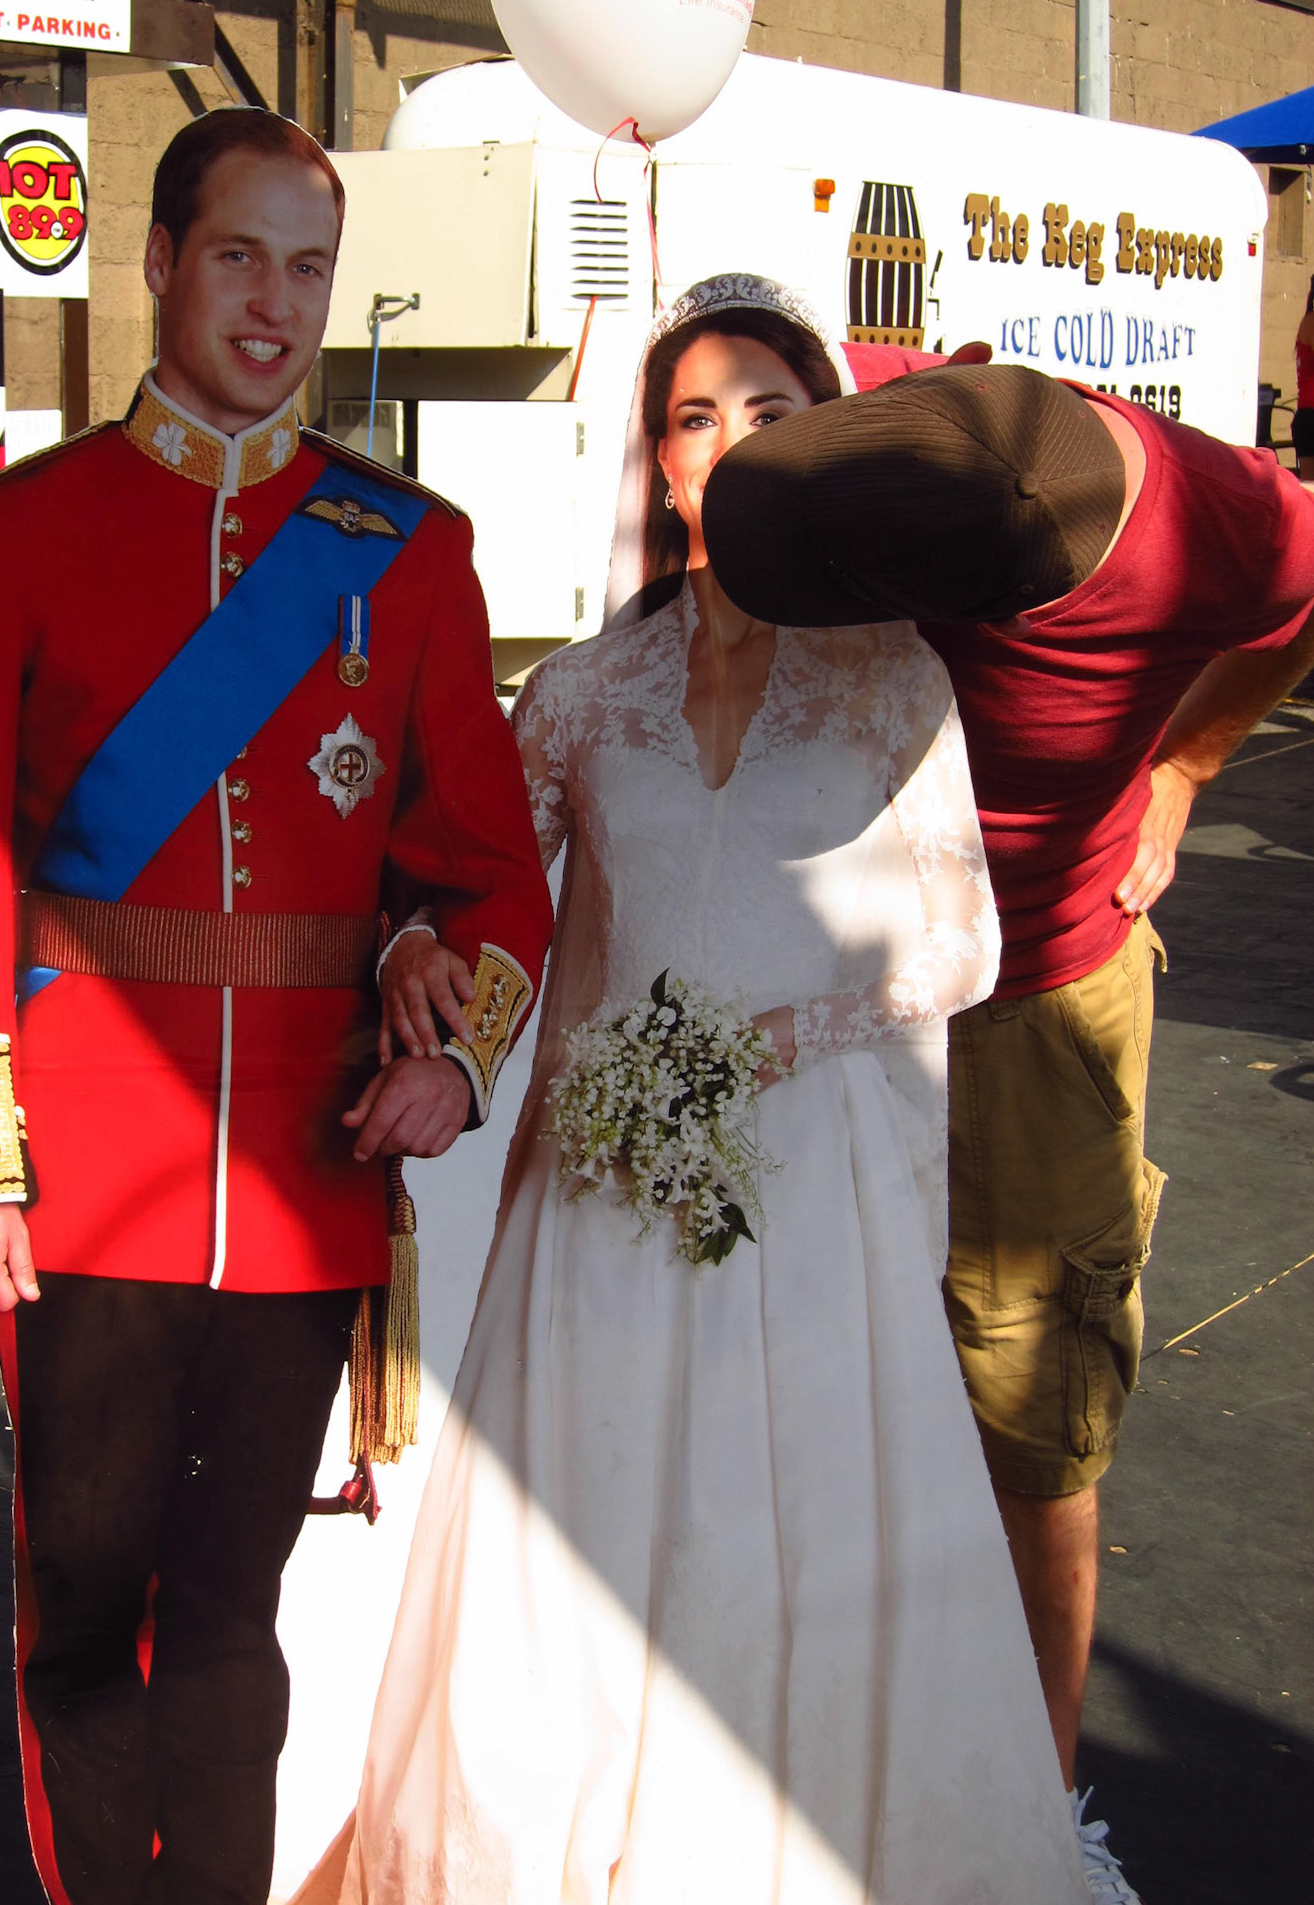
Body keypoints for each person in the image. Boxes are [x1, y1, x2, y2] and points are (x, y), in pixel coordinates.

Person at [303, 276, 1090, 1903]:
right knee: (581, 1569)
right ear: (659, 466)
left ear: (828, 445)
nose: (728, 445)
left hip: (804, 1209)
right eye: (693, 418)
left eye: (769, 414)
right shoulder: (584, 693)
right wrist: (410, 961)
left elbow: (961, 939)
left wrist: (757, 1044)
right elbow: (481, 891)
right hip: (597, 1200)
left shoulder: (897, 680)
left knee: (770, 1557)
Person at [0, 106, 553, 1905]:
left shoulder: (401, 549)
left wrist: (455, 1056)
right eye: (236, 254)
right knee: (88, 1616)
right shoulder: (16, 535)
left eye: (306, 264)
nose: (271, 300)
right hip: (79, 1165)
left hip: (301, 1176)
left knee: (237, 1617)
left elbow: (486, 863)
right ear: (161, 261)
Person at [700, 357, 1314, 1905]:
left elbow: (1308, 590)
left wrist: (1186, 761)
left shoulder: (1216, 528)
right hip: (823, 980)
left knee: (1029, 1406)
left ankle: (1030, 1821)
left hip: (1038, 990)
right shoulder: (906, 416)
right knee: (803, 1378)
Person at [1292, 273, 1314, 482]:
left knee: (1310, 487)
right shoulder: (1313, 320)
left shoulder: (1308, 320)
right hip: (1312, 416)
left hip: (1308, 416)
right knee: (1311, 489)